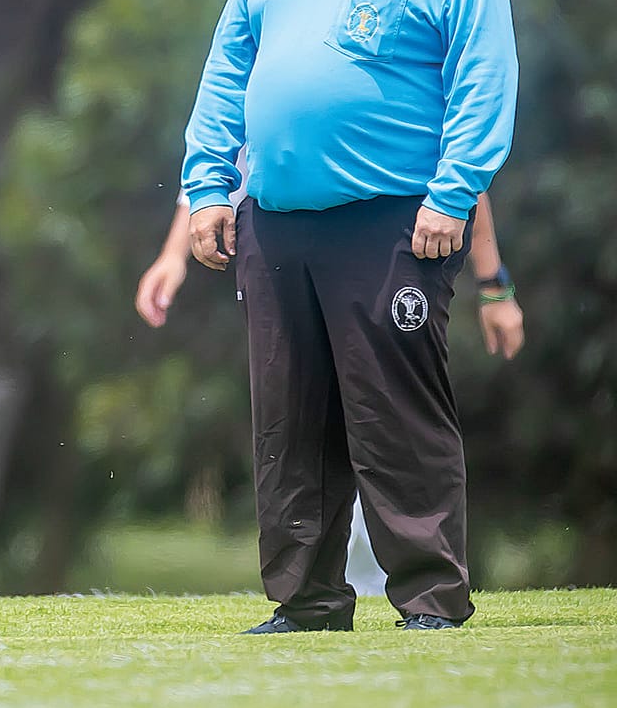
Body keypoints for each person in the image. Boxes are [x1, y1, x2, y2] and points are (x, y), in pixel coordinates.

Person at [181, 0, 517, 632]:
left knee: (396, 415)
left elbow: (484, 85)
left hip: (395, 221)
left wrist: (453, 196)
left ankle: (431, 599)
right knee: (287, 420)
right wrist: (207, 186)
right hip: (274, 220)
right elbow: (227, 71)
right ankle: (307, 600)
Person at [134, 187, 525, 595]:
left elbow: (463, 175)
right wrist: (173, 255)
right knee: (299, 433)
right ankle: (314, 600)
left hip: (387, 239)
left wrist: (493, 284)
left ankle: (427, 595)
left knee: (393, 428)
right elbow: (227, 166)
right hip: (285, 246)